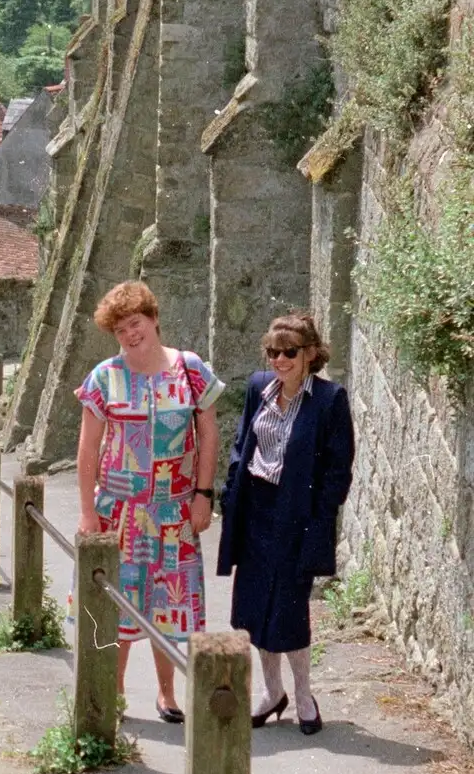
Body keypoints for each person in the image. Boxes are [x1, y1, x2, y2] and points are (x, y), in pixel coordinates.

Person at [76, 281, 223, 722]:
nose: (129, 334)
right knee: (116, 604)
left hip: (174, 512)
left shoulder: (191, 369)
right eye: (120, 329)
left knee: (168, 606)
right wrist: (87, 512)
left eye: (135, 323)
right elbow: (88, 450)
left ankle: (166, 694)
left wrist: (203, 495)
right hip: (120, 513)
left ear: (154, 319)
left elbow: (209, 434)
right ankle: (114, 691)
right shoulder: (104, 377)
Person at [217, 313, 355, 737]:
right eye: (273, 352)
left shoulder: (329, 400)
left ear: (310, 354)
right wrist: (230, 488)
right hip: (256, 509)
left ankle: (303, 695)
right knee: (254, 606)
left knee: (291, 610)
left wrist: (320, 517)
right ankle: (271, 692)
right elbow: (244, 442)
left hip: (296, 516)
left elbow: (338, 469)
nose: (280, 360)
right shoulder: (260, 387)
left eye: (289, 352)